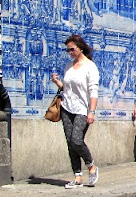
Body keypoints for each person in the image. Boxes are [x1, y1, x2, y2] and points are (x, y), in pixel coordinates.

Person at [50, 35, 100, 189]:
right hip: (67, 108)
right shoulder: (68, 66)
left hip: (82, 109)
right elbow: (67, 88)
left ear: (80, 48)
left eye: (72, 49)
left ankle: (91, 166)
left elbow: (93, 91)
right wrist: (58, 82)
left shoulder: (90, 67)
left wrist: (91, 111)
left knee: (76, 140)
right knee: (70, 143)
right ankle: (77, 177)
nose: (70, 52)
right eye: (68, 50)